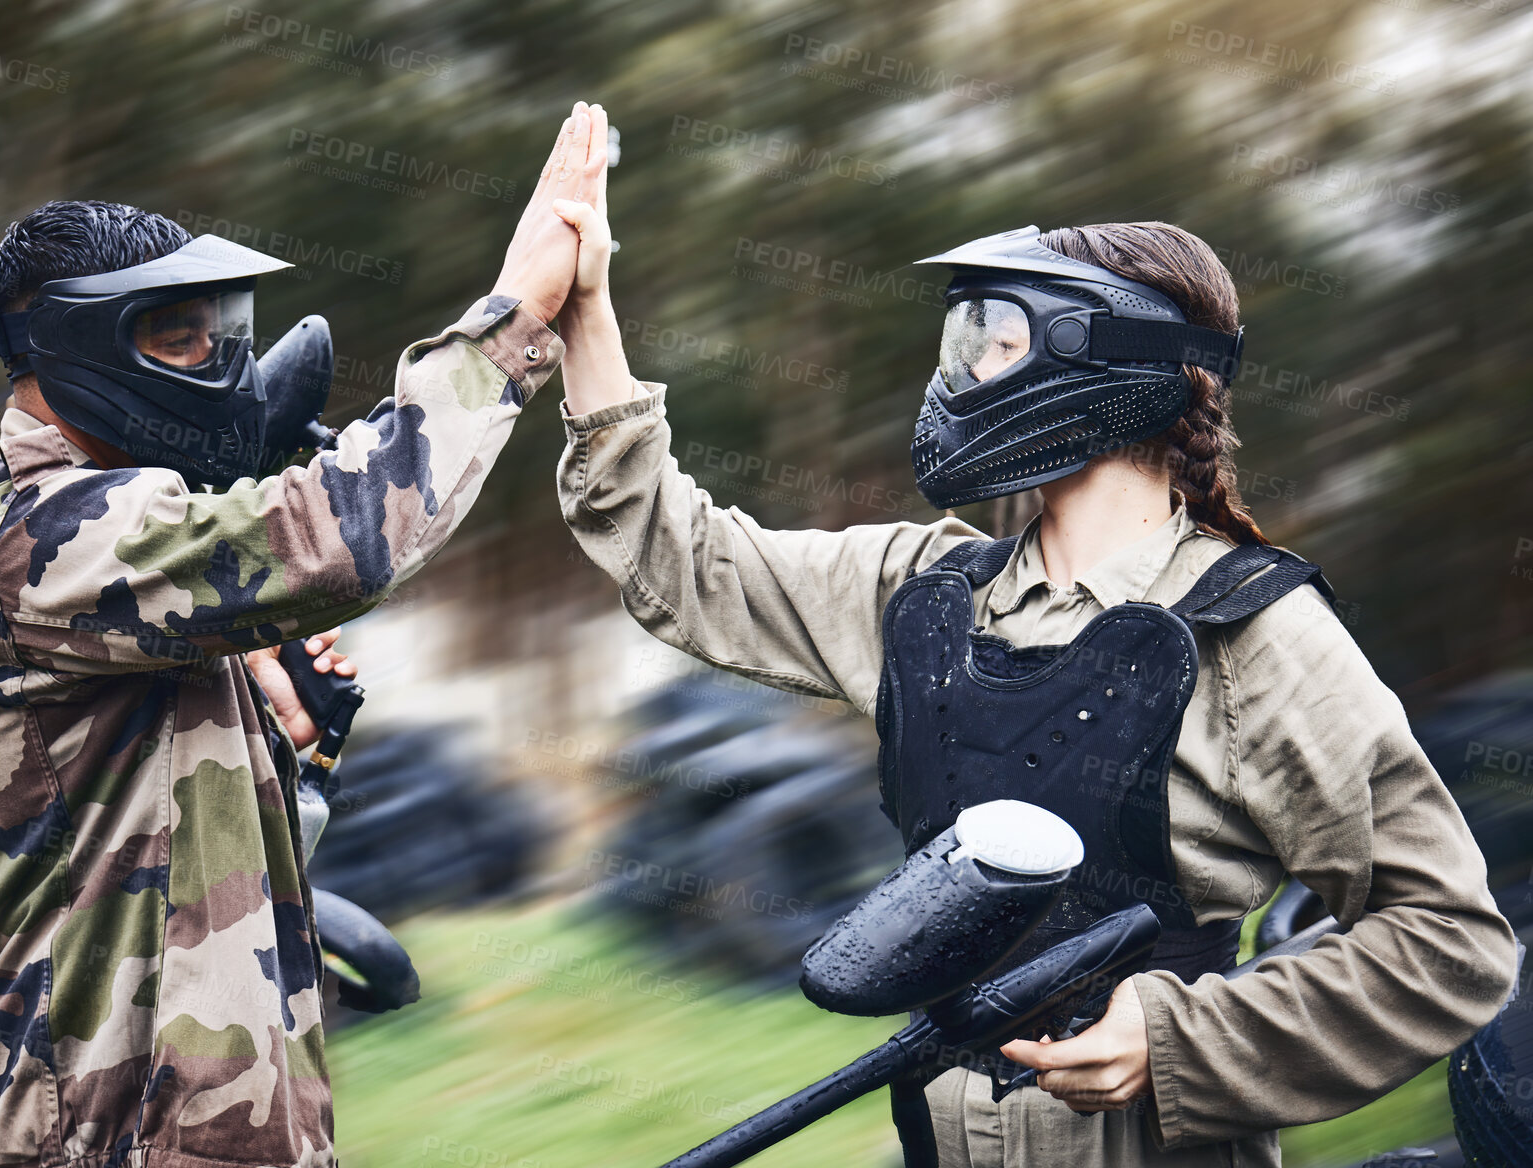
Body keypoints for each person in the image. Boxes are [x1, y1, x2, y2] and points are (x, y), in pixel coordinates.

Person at [548, 155, 1517, 1164]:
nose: (960, 371)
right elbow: (680, 557)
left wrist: (1179, 1040)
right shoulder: (919, 591)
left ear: (1101, 360)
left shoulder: (1255, 634)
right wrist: (585, 313)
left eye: (995, 336)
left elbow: (1448, 944)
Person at [0, 103, 613, 1168]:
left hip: (211, 1120)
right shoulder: (36, 536)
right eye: (176, 335)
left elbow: (144, 838)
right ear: (75, 344)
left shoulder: (115, 542)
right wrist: (518, 314)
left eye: (215, 328)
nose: (214, 361)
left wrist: (287, 751)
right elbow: (341, 534)